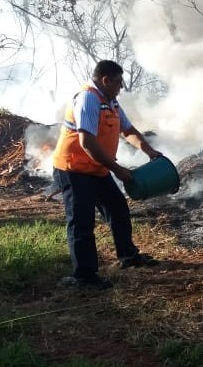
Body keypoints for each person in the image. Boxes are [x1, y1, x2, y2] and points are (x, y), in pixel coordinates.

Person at [52, 60, 163, 290]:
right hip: (74, 169)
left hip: (96, 168)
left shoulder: (110, 102)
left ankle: (128, 256)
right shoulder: (88, 99)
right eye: (118, 82)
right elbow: (87, 142)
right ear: (105, 80)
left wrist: (149, 150)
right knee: (82, 221)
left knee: (118, 208)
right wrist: (118, 171)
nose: (121, 87)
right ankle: (84, 276)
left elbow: (128, 130)